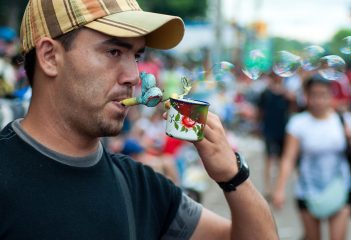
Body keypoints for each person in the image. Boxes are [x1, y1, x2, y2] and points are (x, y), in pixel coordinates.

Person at [0, 0, 278, 239]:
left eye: (136, 55)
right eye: (114, 52)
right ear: (50, 57)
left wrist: (232, 176)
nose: (135, 76)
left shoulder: (140, 186)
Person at [272, 77, 351, 240]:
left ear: (331, 95)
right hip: (307, 189)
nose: (318, 100)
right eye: (314, 95)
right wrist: (279, 189)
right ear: (306, 96)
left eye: (323, 95)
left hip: (340, 185)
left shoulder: (342, 119)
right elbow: (288, 158)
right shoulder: (298, 123)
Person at [256, 72, 294, 198]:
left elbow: (293, 110)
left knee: (280, 160)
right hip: (269, 129)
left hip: (283, 130)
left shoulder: (287, 94)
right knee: (268, 159)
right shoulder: (265, 93)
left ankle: (277, 187)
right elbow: (260, 112)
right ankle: (268, 189)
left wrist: (292, 99)